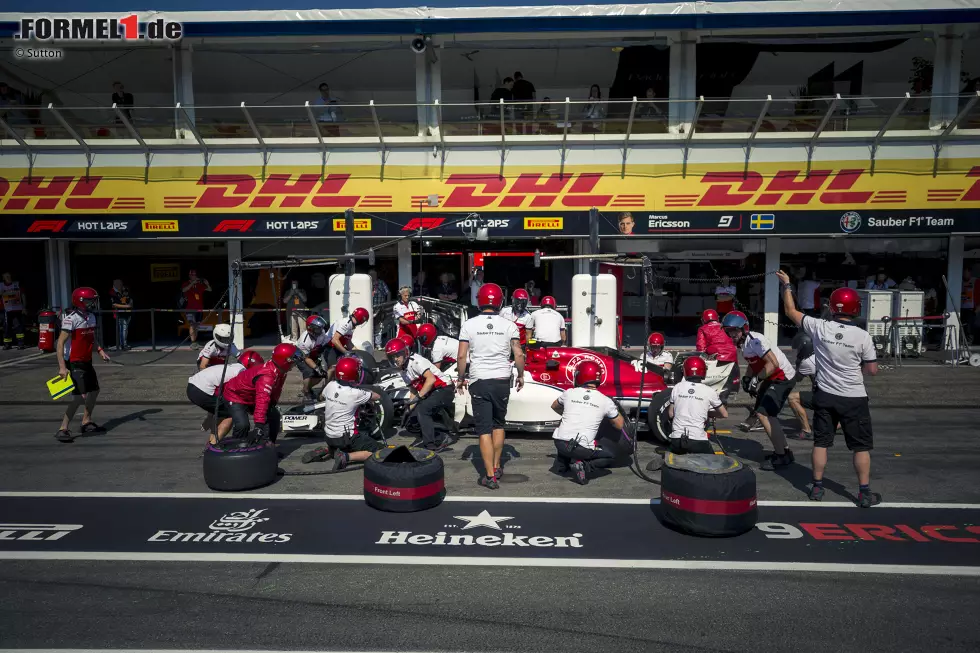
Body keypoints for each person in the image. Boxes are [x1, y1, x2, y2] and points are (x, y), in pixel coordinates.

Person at [777, 270, 881, 507]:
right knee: (860, 447)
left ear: (832, 307)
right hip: (854, 397)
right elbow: (872, 370)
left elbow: (791, 312)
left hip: (825, 395)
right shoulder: (863, 336)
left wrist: (787, 286)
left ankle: (816, 487)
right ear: (856, 309)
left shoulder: (819, 327)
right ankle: (864, 492)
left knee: (821, 443)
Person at [457, 282, 524, 489]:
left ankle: (489, 476)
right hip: (502, 380)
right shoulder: (509, 325)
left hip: (480, 380)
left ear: (479, 301)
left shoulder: (469, 324)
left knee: (484, 429)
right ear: (500, 302)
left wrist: (460, 378)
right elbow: (519, 354)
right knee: (498, 424)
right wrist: (520, 375)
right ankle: (496, 466)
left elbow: (461, 355)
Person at [722, 311, 797, 470]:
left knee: (764, 414)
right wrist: (747, 378)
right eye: (728, 331)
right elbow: (754, 363)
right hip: (772, 377)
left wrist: (757, 379)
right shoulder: (745, 344)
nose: (732, 335)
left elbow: (773, 363)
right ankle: (785, 451)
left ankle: (781, 456)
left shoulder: (755, 340)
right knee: (766, 414)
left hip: (782, 377)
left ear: (744, 329)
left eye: (735, 330)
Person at [301, 356, 385, 470]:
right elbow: (377, 396)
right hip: (345, 438)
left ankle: (329, 450)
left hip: (329, 435)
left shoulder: (330, 385)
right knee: (378, 451)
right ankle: (346, 456)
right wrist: (366, 390)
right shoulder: (356, 394)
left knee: (342, 440)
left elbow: (321, 396)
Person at [551, 360, 625, 485]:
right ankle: (585, 466)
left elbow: (554, 406)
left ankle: (562, 463)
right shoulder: (605, 401)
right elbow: (620, 425)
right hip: (581, 449)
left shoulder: (569, 393)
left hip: (559, 443)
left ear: (580, 375)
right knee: (611, 456)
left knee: (565, 425)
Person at [55, 287, 111, 443]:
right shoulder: (71, 319)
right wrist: (62, 367)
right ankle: (63, 428)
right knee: (79, 397)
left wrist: (100, 350)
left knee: (94, 391)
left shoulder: (91, 317)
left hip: (86, 360)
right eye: (89, 300)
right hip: (73, 362)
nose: (92, 303)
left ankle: (86, 421)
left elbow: (91, 338)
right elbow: (60, 343)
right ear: (79, 302)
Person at [215, 342, 298, 443]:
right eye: (293, 361)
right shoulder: (267, 377)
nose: (294, 364)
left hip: (250, 395)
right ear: (285, 361)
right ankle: (237, 448)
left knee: (273, 415)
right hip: (234, 395)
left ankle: (269, 446)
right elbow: (262, 401)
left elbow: (276, 390)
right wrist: (258, 426)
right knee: (243, 425)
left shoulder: (281, 371)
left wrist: (272, 404)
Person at [386, 337, 454, 451]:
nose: (395, 359)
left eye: (397, 355)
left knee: (423, 410)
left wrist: (417, 398)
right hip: (430, 392)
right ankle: (440, 436)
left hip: (444, 388)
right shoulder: (402, 370)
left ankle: (431, 445)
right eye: (392, 357)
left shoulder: (416, 361)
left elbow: (431, 380)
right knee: (410, 422)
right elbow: (413, 391)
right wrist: (408, 409)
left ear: (405, 352)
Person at [187, 350, 263, 432]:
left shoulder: (233, 367)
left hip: (192, 386)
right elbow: (239, 396)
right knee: (232, 414)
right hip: (201, 389)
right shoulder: (241, 372)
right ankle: (213, 442)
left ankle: (212, 428)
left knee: (221, 405)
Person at [668, 356, 728, 454]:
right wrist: (707, 413)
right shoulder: (709, 391)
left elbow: (671, 414)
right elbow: (724, 414)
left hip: (677, 439)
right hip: (698, 439)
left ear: (685, 371)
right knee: (711, 464)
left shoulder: (677, 387)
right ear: (703, 371)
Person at [695, 308, 738, 398]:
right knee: (726, 389)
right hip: (732, 359)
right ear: (717, 318)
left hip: (716, 360)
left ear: (703, 320)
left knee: (713, 389)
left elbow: (701, 349)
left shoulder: (702, 329)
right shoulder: (726, 326)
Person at [324, 307, 370, 380]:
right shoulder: (346, 323)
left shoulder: (352, 325)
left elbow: (348, 342)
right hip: (329, 346)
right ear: (361, 319)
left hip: (337, 346)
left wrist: (359, 352)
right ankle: (325, 387)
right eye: (363, 321)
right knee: (333, 368)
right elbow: (335, 340)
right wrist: (346, 352)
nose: (362, 323)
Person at [295, 314, 332, 402]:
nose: (321, 330)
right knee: (309, 371)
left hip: (312, 353)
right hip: (301, 355)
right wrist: (316, 368)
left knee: (320, 375)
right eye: (318, 328)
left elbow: (327, 342)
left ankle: (306, 388)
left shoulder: (321, 332)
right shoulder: (304, 341)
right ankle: (306, 393)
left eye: (321, 328)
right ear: (310, 328)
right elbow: (307, 358)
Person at [786, 331, 816, 441]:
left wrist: (799, 362)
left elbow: (797, 378)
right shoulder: (823, 355)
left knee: (792, 397)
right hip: (840, 394)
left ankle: (806, 430)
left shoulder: (808, 362)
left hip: (825, 397)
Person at [181, 269, 211, 350]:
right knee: (192, 324)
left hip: (199, 308)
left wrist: (207, 283)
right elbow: (184, 290)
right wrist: (192, 283)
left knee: (197, 326)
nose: (195, 276)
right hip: (190, 308)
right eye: (193, 275)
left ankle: (195, 341)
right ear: (190, 276)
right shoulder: (186, 283)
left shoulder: (199, 285)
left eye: (195, 275)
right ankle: (193, 342)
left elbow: (209, 289)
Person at [1, 271, 27, 350]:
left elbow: (23, 295)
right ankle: (7, 344)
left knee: (19, 327)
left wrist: (24, 307)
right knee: (6, 327)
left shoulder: (17, 284)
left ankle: (21, 344)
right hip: (6, 310)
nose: (9, 278)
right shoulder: (1, 286)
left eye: (9, 276)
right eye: (6, 277)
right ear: (3, 278)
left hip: (17, 309)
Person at [108, 279, 132, 351]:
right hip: (119, 314)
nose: (121, 285)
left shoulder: (122, 291)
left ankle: (124, 343)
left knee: (125, 329)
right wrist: (127, 306)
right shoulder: (112, 292)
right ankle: (123, 345)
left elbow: (124, 301)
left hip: (126, 313)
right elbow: (113, 304)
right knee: (123, 329)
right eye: (120, 284)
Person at [961, 267, 978, 346]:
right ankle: (961, 341)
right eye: (963, 272)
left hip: (971, 308)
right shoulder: (959, 280)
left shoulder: (975, 281)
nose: (964, 274)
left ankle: (969, 341)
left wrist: (978, 307)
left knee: (969, 326)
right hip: (960, 307)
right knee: (962, 325)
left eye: (966, 272)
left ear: (970, 272)